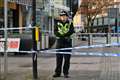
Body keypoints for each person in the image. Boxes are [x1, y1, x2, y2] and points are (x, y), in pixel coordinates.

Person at [53, 11, 75, 78]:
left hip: (67, 43)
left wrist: (63, 35)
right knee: (58, 59)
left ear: (67, 16)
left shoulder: (70, 23)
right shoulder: (57, 23)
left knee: (67, 59)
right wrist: (64, 36)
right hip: (59, 43)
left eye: (64, 16)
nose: (63, 17)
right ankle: (57, 73)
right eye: (61, 16)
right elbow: (55, 32)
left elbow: (71, 31)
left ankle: (66, 73)